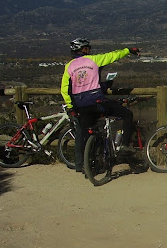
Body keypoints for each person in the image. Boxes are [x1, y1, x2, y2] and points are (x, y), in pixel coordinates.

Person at [60, 37, 140, 173]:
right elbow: (112, 56)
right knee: (127, 114)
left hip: (80, 106)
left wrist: (71, 106)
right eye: (88, 48)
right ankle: (124, 147)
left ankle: (85, 165)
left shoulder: (69, 66)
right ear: (84, 49)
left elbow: (64, 89)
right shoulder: (94, 60)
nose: (90, 50)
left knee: (85, 133)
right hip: (97, 103)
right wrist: (128, 50)